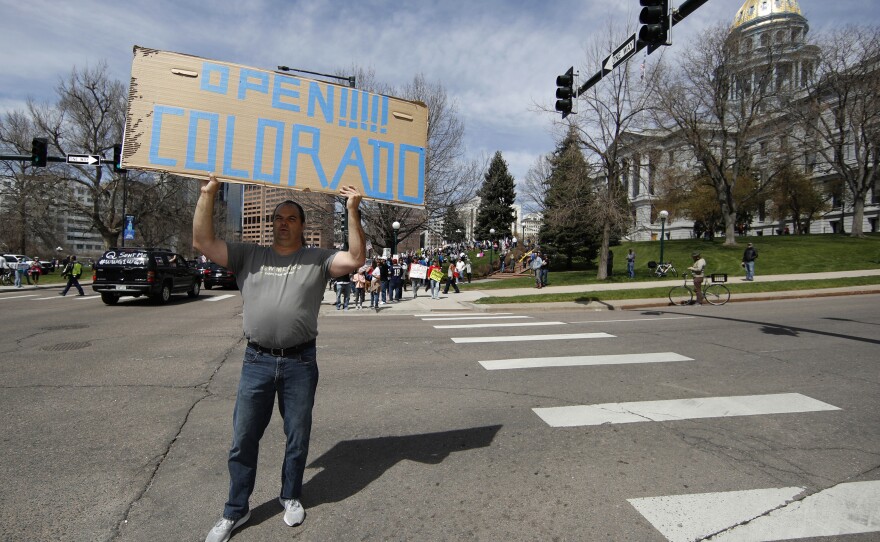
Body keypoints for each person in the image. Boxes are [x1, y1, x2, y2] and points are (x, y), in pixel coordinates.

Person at [195, 173, 365, 541]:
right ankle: (235, 511)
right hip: (256, 360)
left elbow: (355, 257)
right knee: (243, 438)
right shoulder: (248, 254)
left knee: (297, 435)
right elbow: (203, 241)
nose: (282, 224)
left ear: (303, 226)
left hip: (300, 362)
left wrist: (352, 210)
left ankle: (290, 495)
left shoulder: (317, 258)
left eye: (291, 218)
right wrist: (208, 194)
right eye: (278, 218)